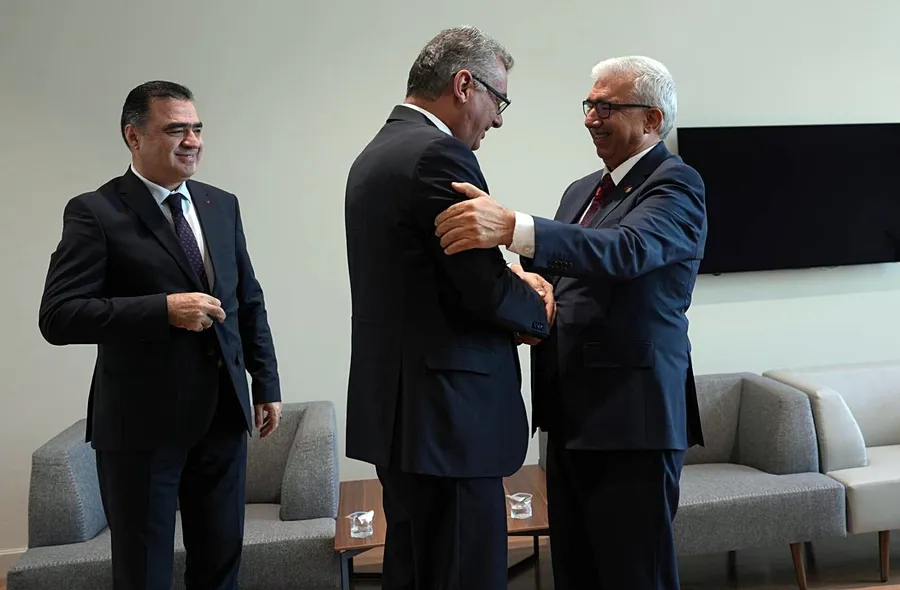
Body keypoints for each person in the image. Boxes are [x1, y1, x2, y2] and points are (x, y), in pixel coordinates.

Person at [434, 55, 707, 589]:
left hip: (631, 421)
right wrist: (528, 284)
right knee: (577, 572)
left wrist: (511, 227)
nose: (590, 118)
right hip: (569, 414)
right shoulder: (582, 190)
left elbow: (626, 251)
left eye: (606, 107)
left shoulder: (676, 184)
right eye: (589, 105)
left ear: (652, 119)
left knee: (635, 574)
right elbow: (564, 271)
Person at [38, 81, 282, 590]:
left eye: (196, 128)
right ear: (134, 136)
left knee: (220, 566)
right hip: (141, 429)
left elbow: (248, 300)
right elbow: (59, 316)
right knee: (144, 573)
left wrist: (266, 384)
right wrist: (162, 310)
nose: (192, 141)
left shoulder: (221, 204)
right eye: (176, 130)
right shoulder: (95, 211)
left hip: (221, 417)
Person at [343, 26, 554, 590]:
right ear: (464, 85)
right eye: (498, 100)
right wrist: (536, 305)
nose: (498, 120)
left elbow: (429, 277)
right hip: (449, 420)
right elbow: (480, 287)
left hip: (404, 419)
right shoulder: (439, 154)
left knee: (415, 570)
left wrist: (505, 276)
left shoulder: (376, 153)